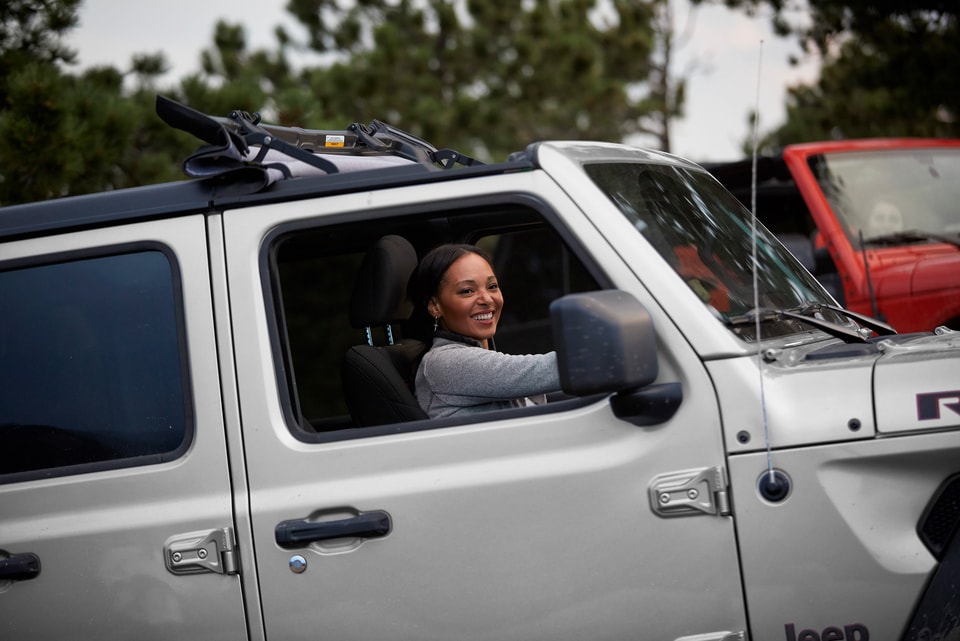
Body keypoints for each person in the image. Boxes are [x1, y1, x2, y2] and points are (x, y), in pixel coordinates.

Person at [409, 243, 561, 419]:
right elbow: (543, 371)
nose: (487, 299)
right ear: (435, 306)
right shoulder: (443, 362)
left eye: (492, 286)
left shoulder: (475, 354)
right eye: (467, 291)